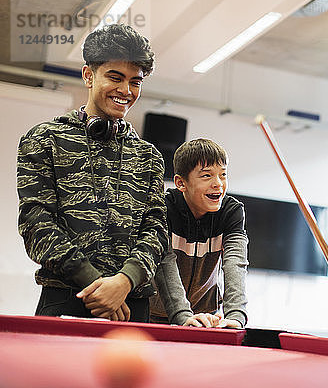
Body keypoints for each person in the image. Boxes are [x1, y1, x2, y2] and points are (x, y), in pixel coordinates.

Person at [17, 24, 168, 322]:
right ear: (88, 75)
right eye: (115, 77)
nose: (126, 91)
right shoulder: (44, 138)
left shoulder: (148, 155)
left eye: (135, 82)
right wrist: (96, 285)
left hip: (131, 305)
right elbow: (37, 225)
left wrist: (124, 282)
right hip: (66, 298)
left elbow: (157, 232)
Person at [150, 138, 249, 328]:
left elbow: (235, 264)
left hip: (205, 317)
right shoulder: (162, 208)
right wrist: (182, 315)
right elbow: (165, 263)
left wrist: (236, 316)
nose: (218, 184)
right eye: (206, 176)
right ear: (181, 183)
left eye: (223, 175)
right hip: (153, 314)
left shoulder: (232, 212)